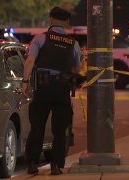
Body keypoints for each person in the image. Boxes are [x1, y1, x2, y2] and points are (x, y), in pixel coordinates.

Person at [22, 6, 81, 175]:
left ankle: (33, 163)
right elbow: (77, 68)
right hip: (63, 89)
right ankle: (56, 166)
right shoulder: (73, 43)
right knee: (60, 130)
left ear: (51, 19)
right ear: (67, 22)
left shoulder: (40, 38)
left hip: (43, 87)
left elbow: (30, 60)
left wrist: (25, 82)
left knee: (37, 126)